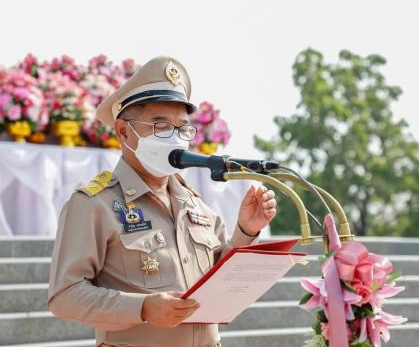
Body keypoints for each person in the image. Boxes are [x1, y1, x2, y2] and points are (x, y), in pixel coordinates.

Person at [48, 56, 277, 347]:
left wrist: (247, 230)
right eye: (160, 126)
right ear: (123, 131)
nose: (175, 138)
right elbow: (64, 295)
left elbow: (221, 284)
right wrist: (141, 309)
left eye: (182, 128)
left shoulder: (194, 204)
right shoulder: (95, 204)